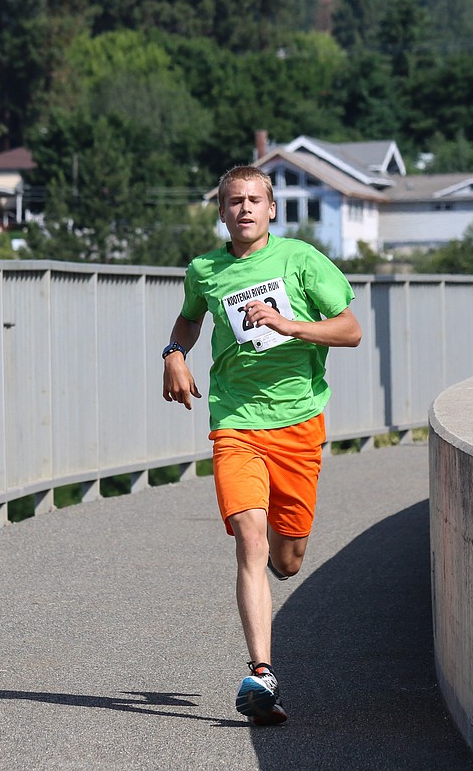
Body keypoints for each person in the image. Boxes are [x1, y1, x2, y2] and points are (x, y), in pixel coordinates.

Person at [161, 165, 362, 726]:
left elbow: (350, 329)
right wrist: (173, 355)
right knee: (248, 536)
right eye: (233, 201)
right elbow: (187, 321)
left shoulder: (300, 261)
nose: (245, 208)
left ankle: (283, 556)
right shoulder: (205, 270)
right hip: (235, 421)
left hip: (298, 423)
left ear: (272, 209)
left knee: (287, 558)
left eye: (254, 199)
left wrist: (291, 326)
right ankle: (262, 675)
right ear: (221, 212)